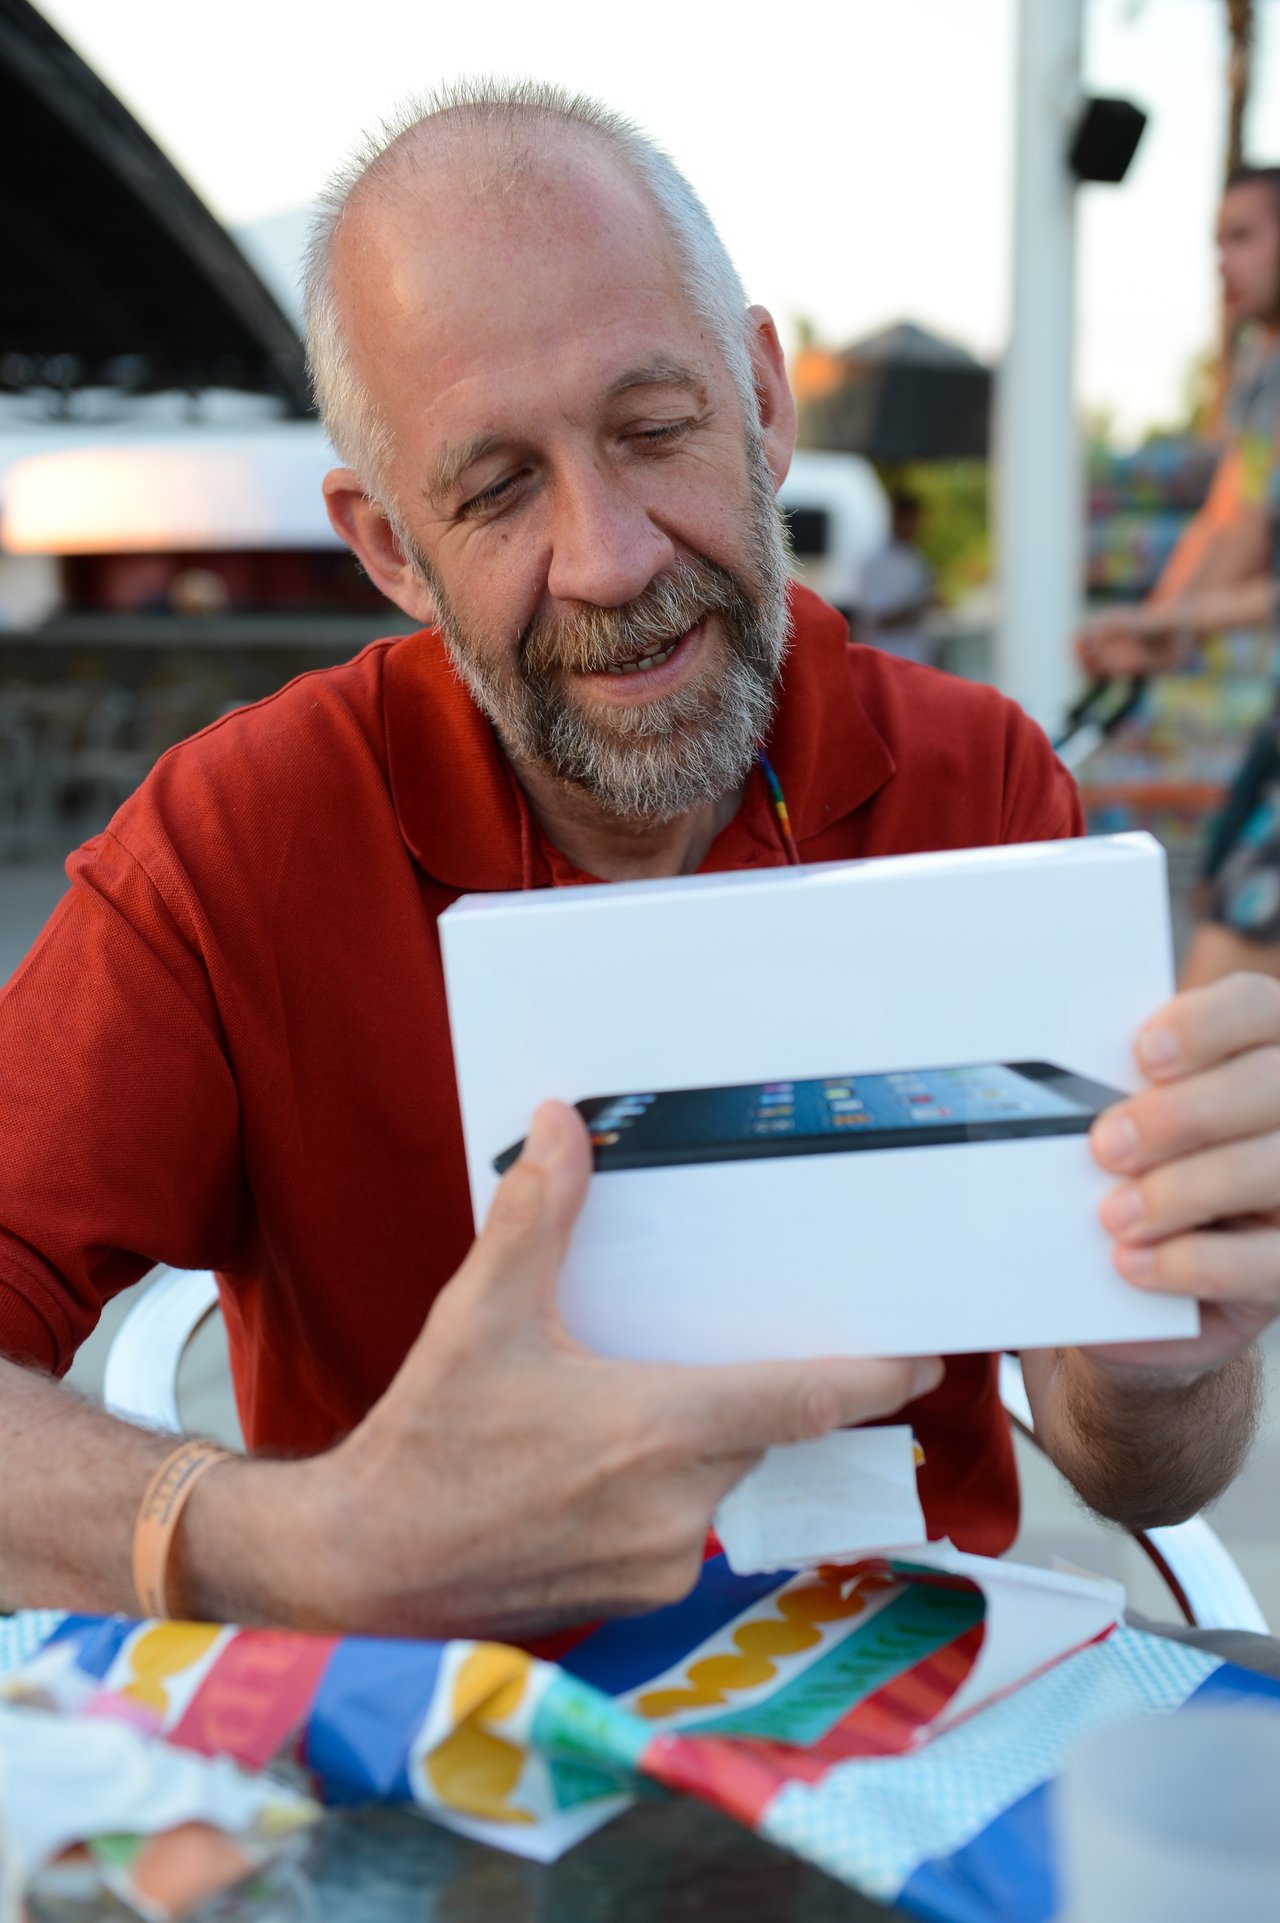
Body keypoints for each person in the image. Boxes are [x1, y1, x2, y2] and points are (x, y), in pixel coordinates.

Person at [0, 84, 1277, 1647]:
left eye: (654, 429)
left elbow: (1137, 1466)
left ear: (761, 399)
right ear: (391, 547)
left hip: (905, 1712)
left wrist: (1175, 1350)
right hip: (434, 1754)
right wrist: (282, 1536)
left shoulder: (979, 779)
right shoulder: (237, 844)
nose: (612, 555)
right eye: (496, 489)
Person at [1077, 165, 1280, 989]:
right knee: (1217, 926)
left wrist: (1183, 626)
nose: (1222, 262)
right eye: (1217, 241)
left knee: (1217, 980)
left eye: (1243, 236)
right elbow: (1235, 517)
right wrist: (1151, 631)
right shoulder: (1263, 371)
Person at [857, 489, 938, 664]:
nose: (916, 526)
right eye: (911, 519)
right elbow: (879, 618)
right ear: (897, 519)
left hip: (914, 658)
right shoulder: (877, 560)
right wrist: (918, 608)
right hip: (886, 659)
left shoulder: (916, 558)